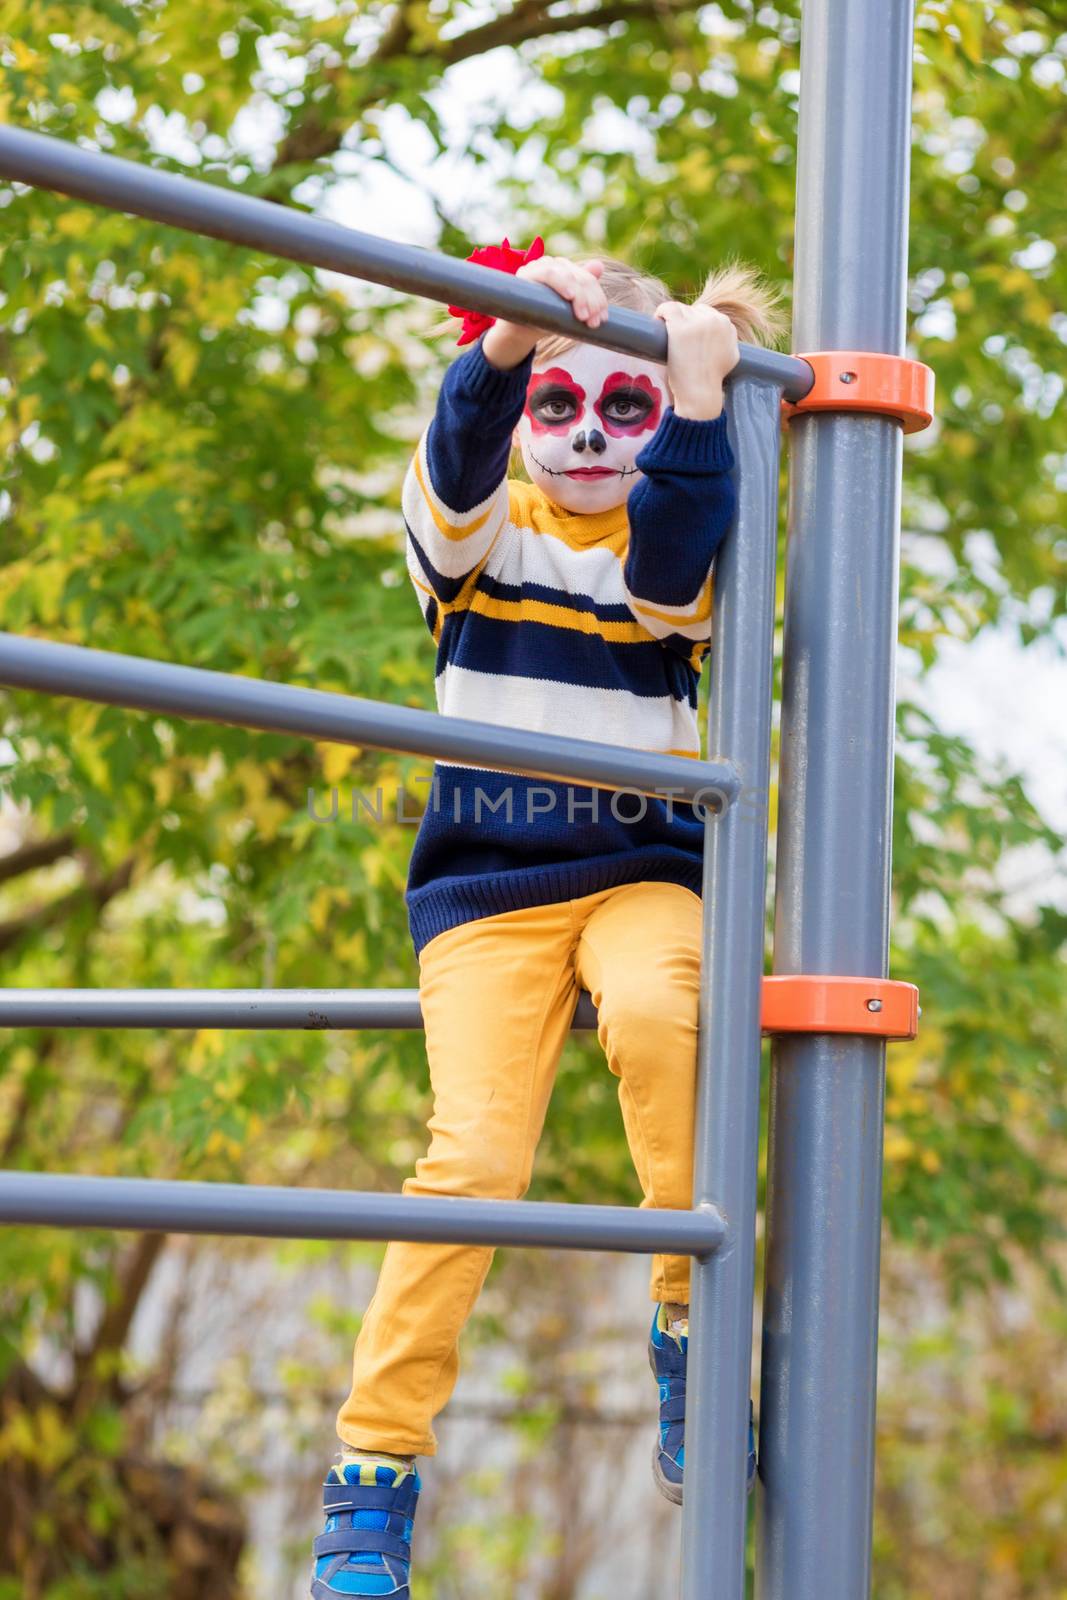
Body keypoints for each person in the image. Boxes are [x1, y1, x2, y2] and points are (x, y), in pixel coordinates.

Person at [310, 245, 786, 1599]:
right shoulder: (475, 538)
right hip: (484, 891)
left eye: (624, 408)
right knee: (474, 1162)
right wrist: (514, 337)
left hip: (639, 872)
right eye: (556, 405)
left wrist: (700, 399)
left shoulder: (669, 561)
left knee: (659, 1009)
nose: (584, 434)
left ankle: (691, 1325)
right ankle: (375, 1469)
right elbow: (458, 451)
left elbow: (675, 555)